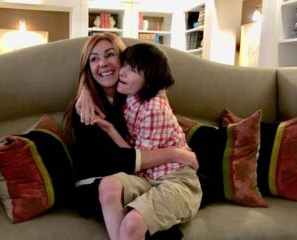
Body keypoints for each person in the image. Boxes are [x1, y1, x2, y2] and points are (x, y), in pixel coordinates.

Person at [63, 33, 198, 239]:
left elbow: (158, 94)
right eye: (94, 59)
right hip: (95, 185)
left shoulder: (133, 97)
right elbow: (117, 160)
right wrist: (175, 153)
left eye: (110, 55)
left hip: (136, 178)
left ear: (124, 60)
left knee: (191, 188)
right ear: (88, 68)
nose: (103, 64)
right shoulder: (85, 108)